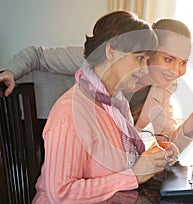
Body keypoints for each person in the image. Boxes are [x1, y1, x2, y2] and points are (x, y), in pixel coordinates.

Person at [0, 16, 193, 153]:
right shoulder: (102, 58)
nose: (176, 71)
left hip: (85, 144)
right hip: (35, 118)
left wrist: (192, 121)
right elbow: (38, 55)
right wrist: (10, 71)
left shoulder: (163, 88)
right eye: (168, 59)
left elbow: (165, 140)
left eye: (183, 62)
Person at [31, 10, 172, 203]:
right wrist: (134, 175)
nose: (145, 69)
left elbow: (116, 165)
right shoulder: (71, 112)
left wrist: (153, 160)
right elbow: (61, 193)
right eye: (139, 58)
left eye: (147, 61)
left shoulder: (116, 104)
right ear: (111, 51)